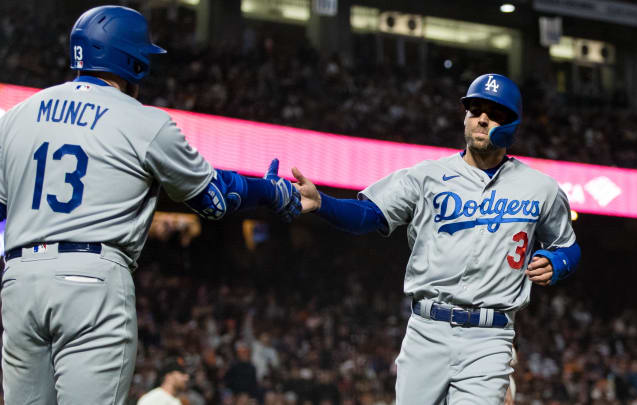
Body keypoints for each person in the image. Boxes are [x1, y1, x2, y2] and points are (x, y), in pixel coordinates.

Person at [0, 6, 300, 404]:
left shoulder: (16, 115)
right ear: (132, 62)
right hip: (92, 280)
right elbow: (215, 199)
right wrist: (270, 192)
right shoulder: (143, 121)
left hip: (19, 279)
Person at [291, 73, 581, 404]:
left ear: (513, 122)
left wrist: (558, 262)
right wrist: (321, 203)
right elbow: (367, 216)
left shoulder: (539, 187)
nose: (482, 118)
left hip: (489, 337)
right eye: (474, 110)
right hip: (426, 330)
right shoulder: (426, 176)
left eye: (493, 112)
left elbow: (568, 247)